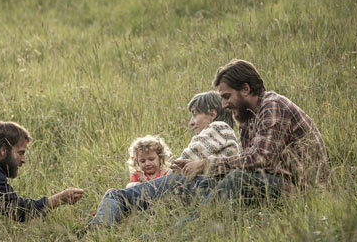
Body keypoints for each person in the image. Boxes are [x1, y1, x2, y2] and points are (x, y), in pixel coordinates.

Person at [172, 59, 329, 208]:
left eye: (226, 97)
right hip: (273, 180)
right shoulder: (246, 116)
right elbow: (245, 162)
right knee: (206, 181)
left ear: (245, 89)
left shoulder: (272, 106)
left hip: (302, 190)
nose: (224, 105)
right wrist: (195, 168)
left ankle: (195, 222)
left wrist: (206, 164)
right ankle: (181, 210)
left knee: (237, 179)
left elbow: (260, 159)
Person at [88, 91, 239, 227]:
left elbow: (188, 158)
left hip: (197, 184)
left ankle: (97, 228)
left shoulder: (219, 127)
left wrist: (157, 185)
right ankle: (108, 220)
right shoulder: (226, 133)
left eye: (195, 115)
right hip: (208, 188)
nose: (191, 122)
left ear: (212, 114)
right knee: (137, 206)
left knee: (116, 194)